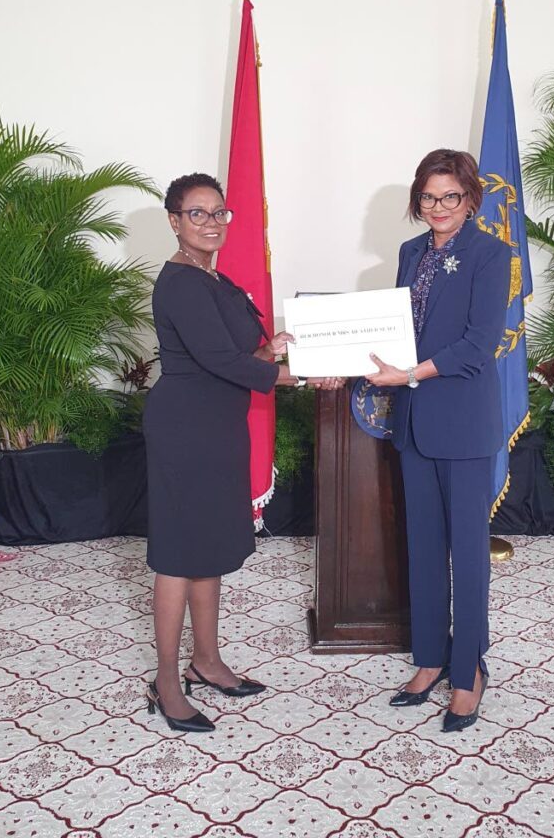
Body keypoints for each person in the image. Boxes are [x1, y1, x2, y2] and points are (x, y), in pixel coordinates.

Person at [144, 172, 341, 733]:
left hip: (218, 427)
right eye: (197, 214)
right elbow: (221, 363)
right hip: (186, 430)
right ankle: (165, 680)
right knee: (179, 556)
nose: (211, 223)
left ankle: (206, 660)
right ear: (175, 221)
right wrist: (299, 374)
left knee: (208, 548)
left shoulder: (212, 279)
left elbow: (234, 354)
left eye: (219, 212)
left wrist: (269, 348)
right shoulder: (181, 282)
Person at [366, 149, 510, 733]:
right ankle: (429, 660)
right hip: (414, 423)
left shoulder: (491, 253)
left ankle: (468, 668)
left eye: (450, 196)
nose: (438, 207)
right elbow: (397, 329)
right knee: (423, 546)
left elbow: (479, 344)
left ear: (471, 199)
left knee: (468, 552)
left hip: (464, 421)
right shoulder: (409, 253)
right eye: (428, 197)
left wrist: (411, 374)